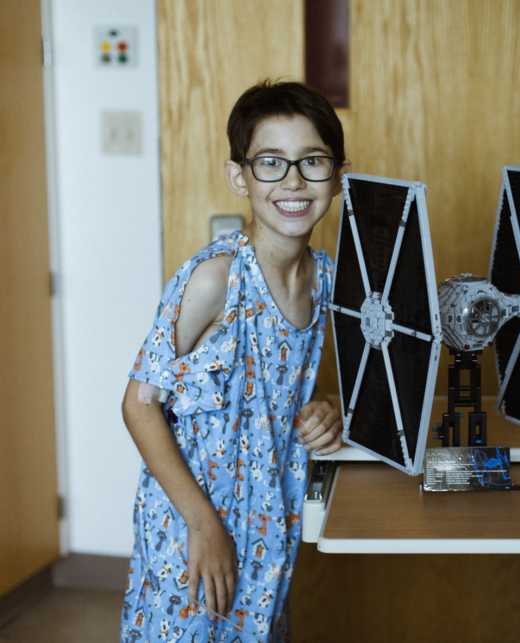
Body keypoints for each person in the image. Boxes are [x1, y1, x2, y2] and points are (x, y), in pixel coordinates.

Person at [120, 79, 347, 641]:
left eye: (312, 161)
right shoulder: (214, 280)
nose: (293, 181)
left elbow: (292, 388)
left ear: (339, 175)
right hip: (193, 526)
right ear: (238, 177)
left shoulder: (329, 283)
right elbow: (139, 405)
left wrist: (330, 410)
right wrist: (203, 525)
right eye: (270, 162)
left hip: (270, 518)